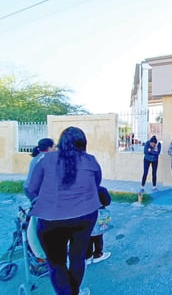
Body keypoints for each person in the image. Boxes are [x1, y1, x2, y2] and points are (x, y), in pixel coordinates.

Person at [26, 126, 102, 295]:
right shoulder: (90, 160)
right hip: (85, 217)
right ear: (83, 143)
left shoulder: (45, 160)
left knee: (56, 263)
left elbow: (30, 189)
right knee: (77, 259)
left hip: (51, 220)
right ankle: (74, 292)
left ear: (61, 142)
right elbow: (96, 184)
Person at [86, 186, 111, 265]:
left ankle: (88, 257)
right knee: (98, 236)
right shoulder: (101, 190)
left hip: (86, 216)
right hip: (99, 215)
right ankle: (98, 254)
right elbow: (107, 202)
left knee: (88, 236)